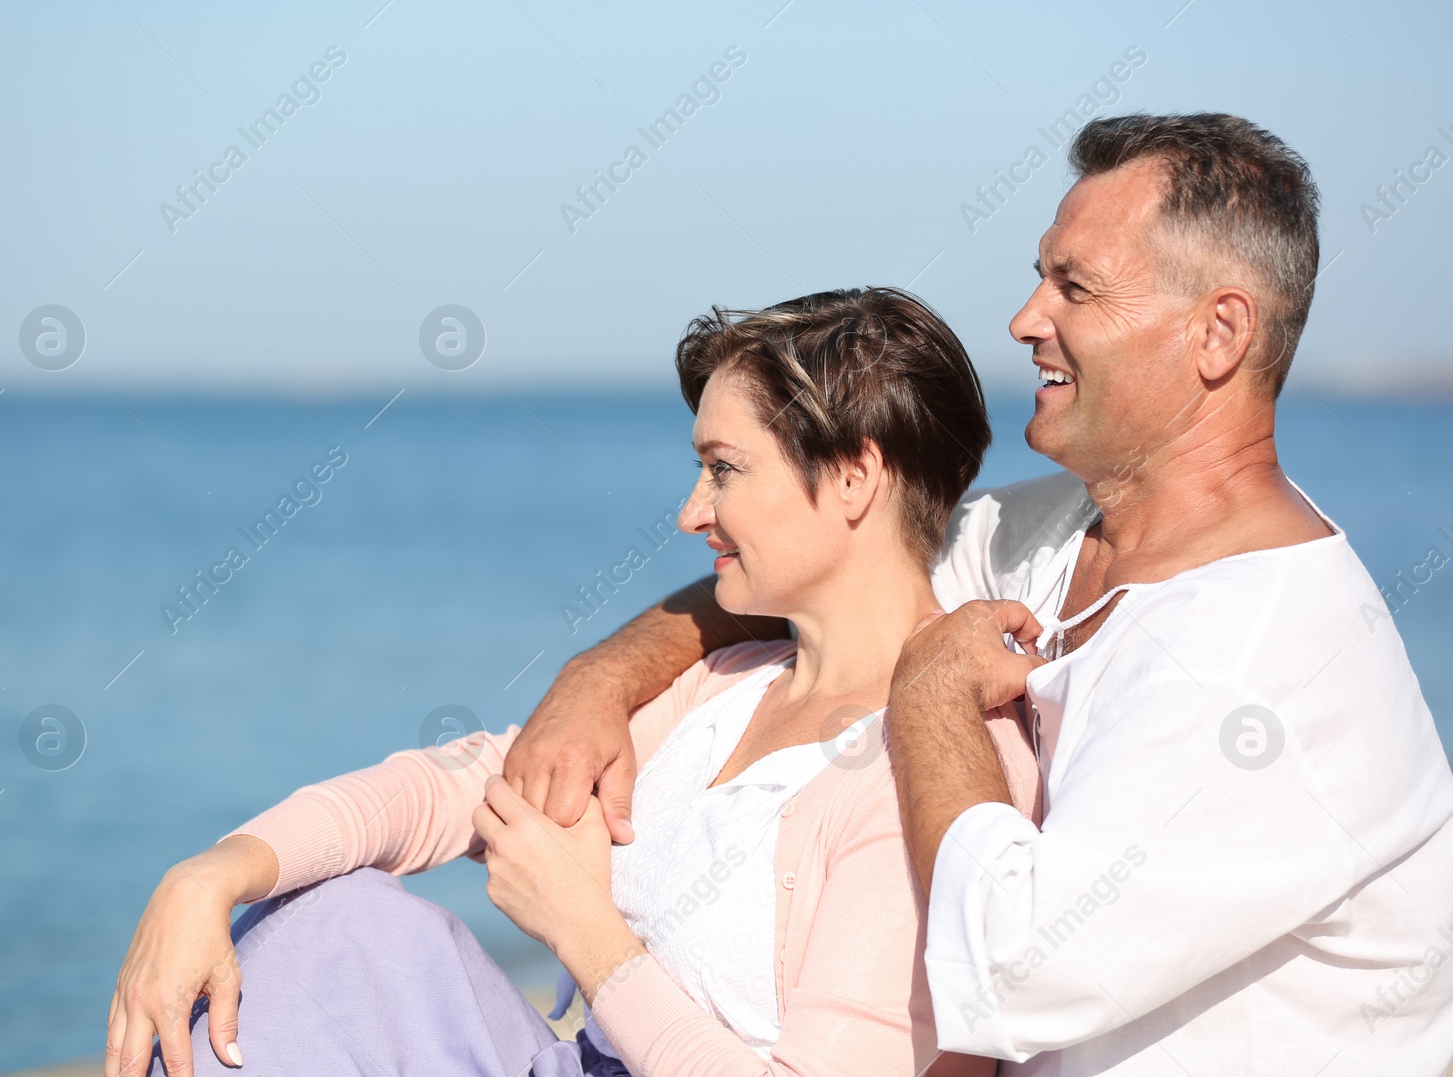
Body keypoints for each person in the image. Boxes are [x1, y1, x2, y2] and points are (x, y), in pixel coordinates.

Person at [504, 113, 1453, 1074]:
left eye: (1075, 286)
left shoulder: (1265, 657)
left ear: (1220, 332)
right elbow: (812, 573)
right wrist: (597, 682)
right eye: (1042, 273)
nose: (1026, 317)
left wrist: (926, 694)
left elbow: (1010, 971)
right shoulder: (1055, 531)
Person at [106, 287, 1042, 1077]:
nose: (691, 512)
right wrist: (210, 875)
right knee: (323, 922)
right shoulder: (726, 684)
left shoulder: (942, 760)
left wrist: (584, 934)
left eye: (725, 470)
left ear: (852, 476)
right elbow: (457, 785)